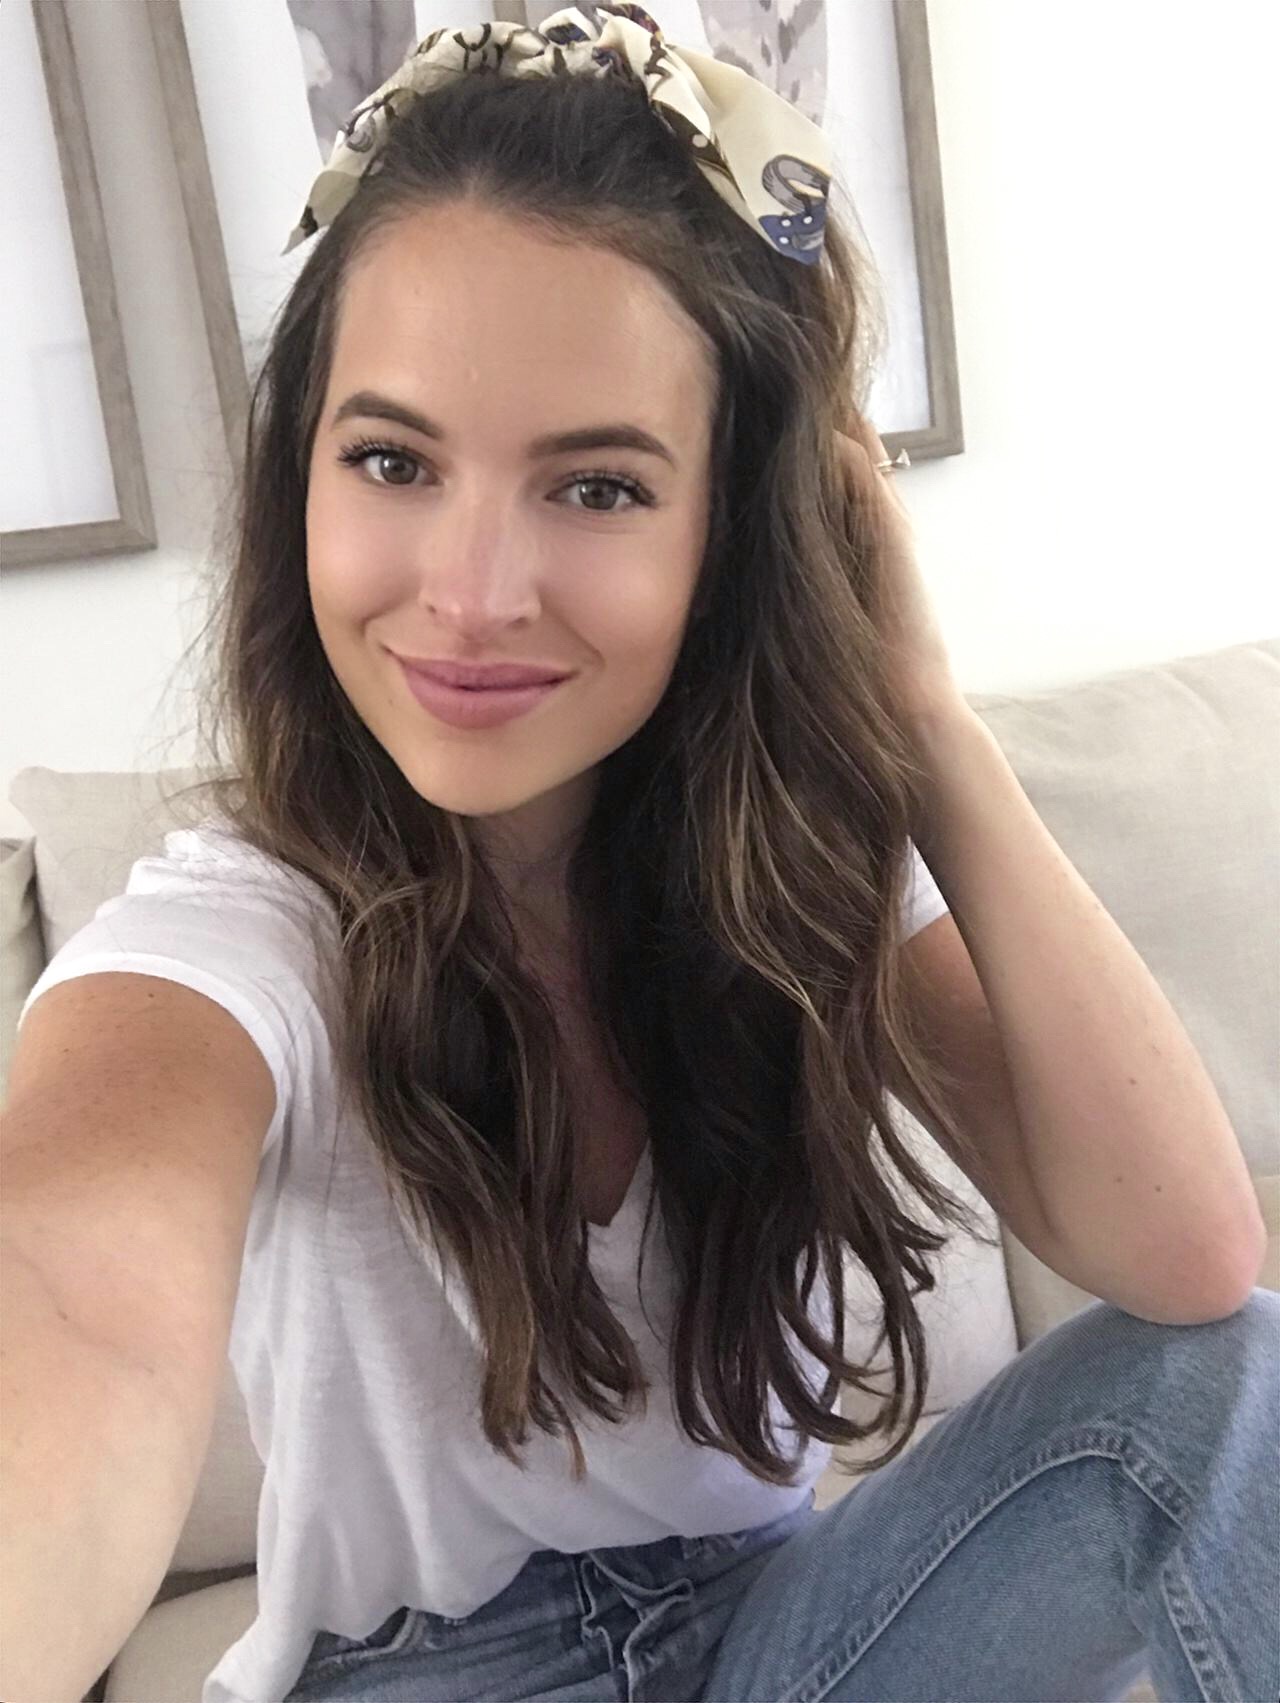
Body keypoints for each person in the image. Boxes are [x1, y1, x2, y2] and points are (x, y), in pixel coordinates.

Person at [4, 9, 1275, 1703]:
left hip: (779, 1631)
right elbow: (73, 1301)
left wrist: (921, 721)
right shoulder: (240, 937)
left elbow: (1190, 1265)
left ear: (736, 534)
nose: (470, 594)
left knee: (1225, 1386)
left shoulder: (806, 872)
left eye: (596, 489)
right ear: (300, 480)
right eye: (391, 460)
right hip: (430, 1675)